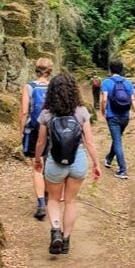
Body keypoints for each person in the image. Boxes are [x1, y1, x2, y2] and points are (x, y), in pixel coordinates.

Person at [34, 72, 100, 254]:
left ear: (52, 91)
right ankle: (65, 240)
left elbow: (41, 142)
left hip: (55, 161)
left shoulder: (46, 113)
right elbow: (90, 142)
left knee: (54, 199)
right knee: (70, 201)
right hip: (77, 160)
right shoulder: (81, 111)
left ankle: (55, 230)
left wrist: (38, 159)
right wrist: (96, 164)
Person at [19, 57, 54, 220]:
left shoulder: (29, 87)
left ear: (36, 69)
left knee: (37, 166)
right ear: (50, 71)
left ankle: (41, 203)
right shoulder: (55, 86)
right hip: (52, 130)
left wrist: (21, 131)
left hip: (33, 130)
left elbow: (25, 111)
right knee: (49, 163)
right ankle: (48, 193)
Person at [100, 58, 135, 179]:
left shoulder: (106, 82)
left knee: (117, 140)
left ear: (110, 69)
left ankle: (123, 170)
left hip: (112, 116)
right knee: (116, 138)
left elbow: (105, 99)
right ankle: (109, 159)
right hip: (125, 116)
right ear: (121, 69)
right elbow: (132, 99)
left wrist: (103, 111)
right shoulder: (127, 83)